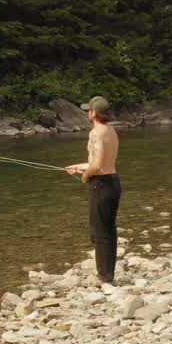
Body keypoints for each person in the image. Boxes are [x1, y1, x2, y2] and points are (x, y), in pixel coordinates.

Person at [64, 96, 121, 283]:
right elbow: (102, 163)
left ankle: (104, 276)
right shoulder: (111, 131)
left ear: (94, 113)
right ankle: (108, 273)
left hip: (101, 184)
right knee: (109, 229)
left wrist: (85, 176)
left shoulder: (96, 133)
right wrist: (79, 167)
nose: (87, 112)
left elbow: (96, 167)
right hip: (113, 182)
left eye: (89, 110)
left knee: (99, 232)